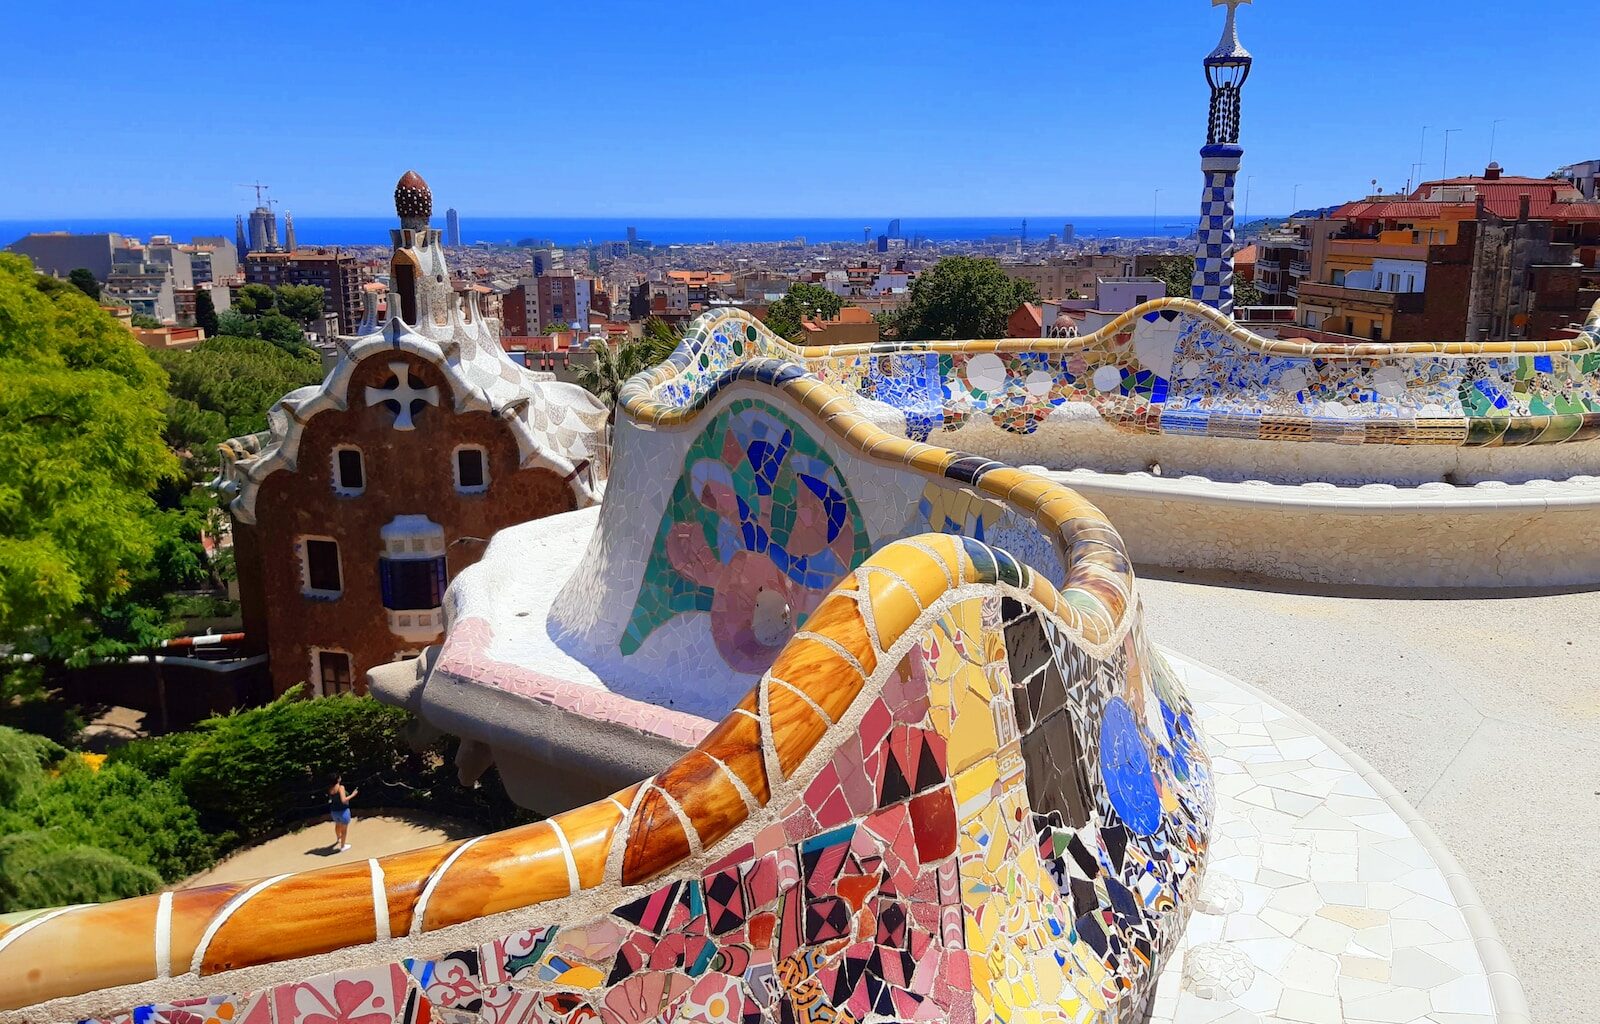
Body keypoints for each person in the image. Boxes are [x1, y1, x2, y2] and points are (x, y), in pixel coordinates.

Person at [327, 773, 358, 851]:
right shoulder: (341, 787)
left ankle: (338, 839)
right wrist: (353, 795)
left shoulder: (330, 788)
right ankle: (343, 846)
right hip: (343, 811)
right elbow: (343, 800)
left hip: (334, 811)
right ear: (338, 779)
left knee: (337, 825)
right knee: (344, 829)